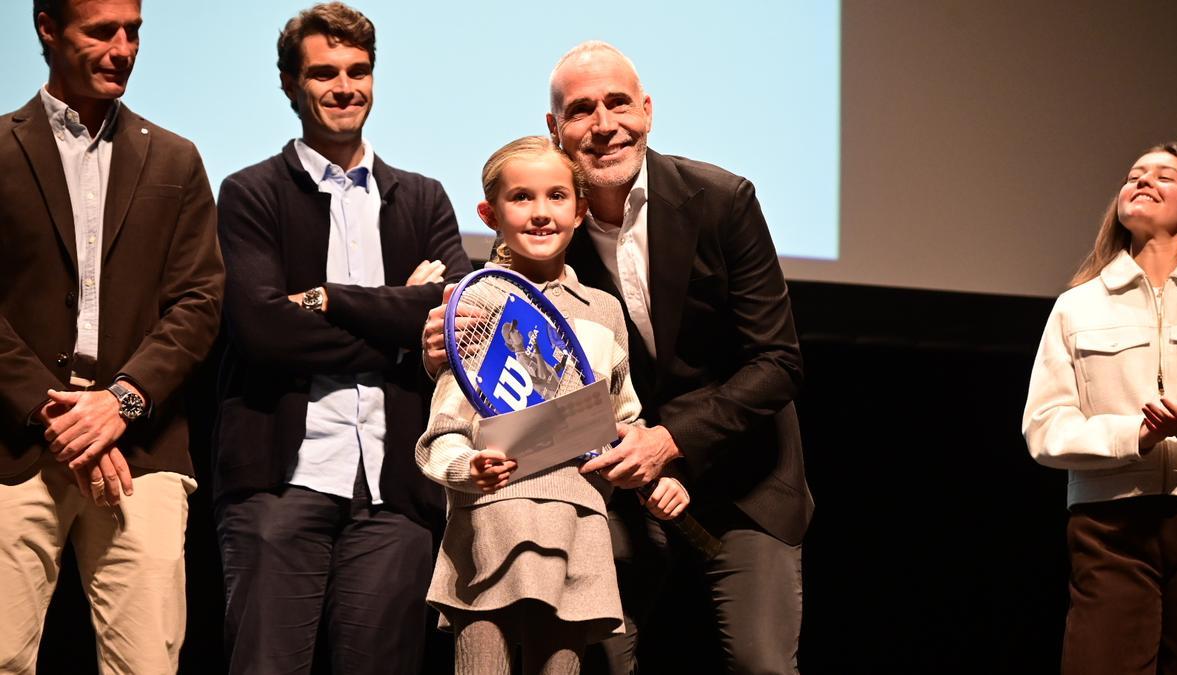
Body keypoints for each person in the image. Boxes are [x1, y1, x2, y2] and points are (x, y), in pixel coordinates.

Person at [423, 41, 813, 674]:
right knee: (598, 657)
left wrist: (668, 440)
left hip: (742, 476)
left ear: (648, 111)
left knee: (761, 664)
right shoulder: (549, 232)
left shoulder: (722, 200)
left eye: (618, 104)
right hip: (609, 487)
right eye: (581, 110)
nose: (604, 125)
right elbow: (490, 347)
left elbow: (778, 362)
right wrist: (437, 344)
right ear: (555, 129)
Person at [212, 3, 471, 673]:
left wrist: (328, 300)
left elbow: (458, 317)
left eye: (359, 70)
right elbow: (264, 331)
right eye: (324, 72)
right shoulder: (250, 194)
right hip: (280, 485)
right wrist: (402, 333)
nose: (344, 86)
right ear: (290, 84)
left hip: (395, 494)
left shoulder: (423, 199)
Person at [0, 0, 225, 672]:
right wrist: (57, 413)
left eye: (133, 32)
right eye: (101, 31)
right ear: (46, 28)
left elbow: (199, 300)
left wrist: (119, 402)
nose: (122, 48)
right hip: (13, 447)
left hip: (143, 447)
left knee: (146, 662)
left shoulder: (178, 159)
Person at [417, 135, 690, 675]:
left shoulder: (605, 311)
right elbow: (443, 431)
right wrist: (467, 467)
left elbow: (619, 424)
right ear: (489, 214)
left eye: (557, 197)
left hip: (579, 531)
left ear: (580, 209)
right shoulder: (477, 303)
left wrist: (660, 475)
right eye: (521, 198)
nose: (541, 213)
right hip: (490, 529)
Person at [1023, 142, 1177, 675]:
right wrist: (1135, 435)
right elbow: (1045, 426)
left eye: (1163, 176)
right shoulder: (1078, 305)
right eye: (1133, 175)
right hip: (1109, 523)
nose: (1142, 181)